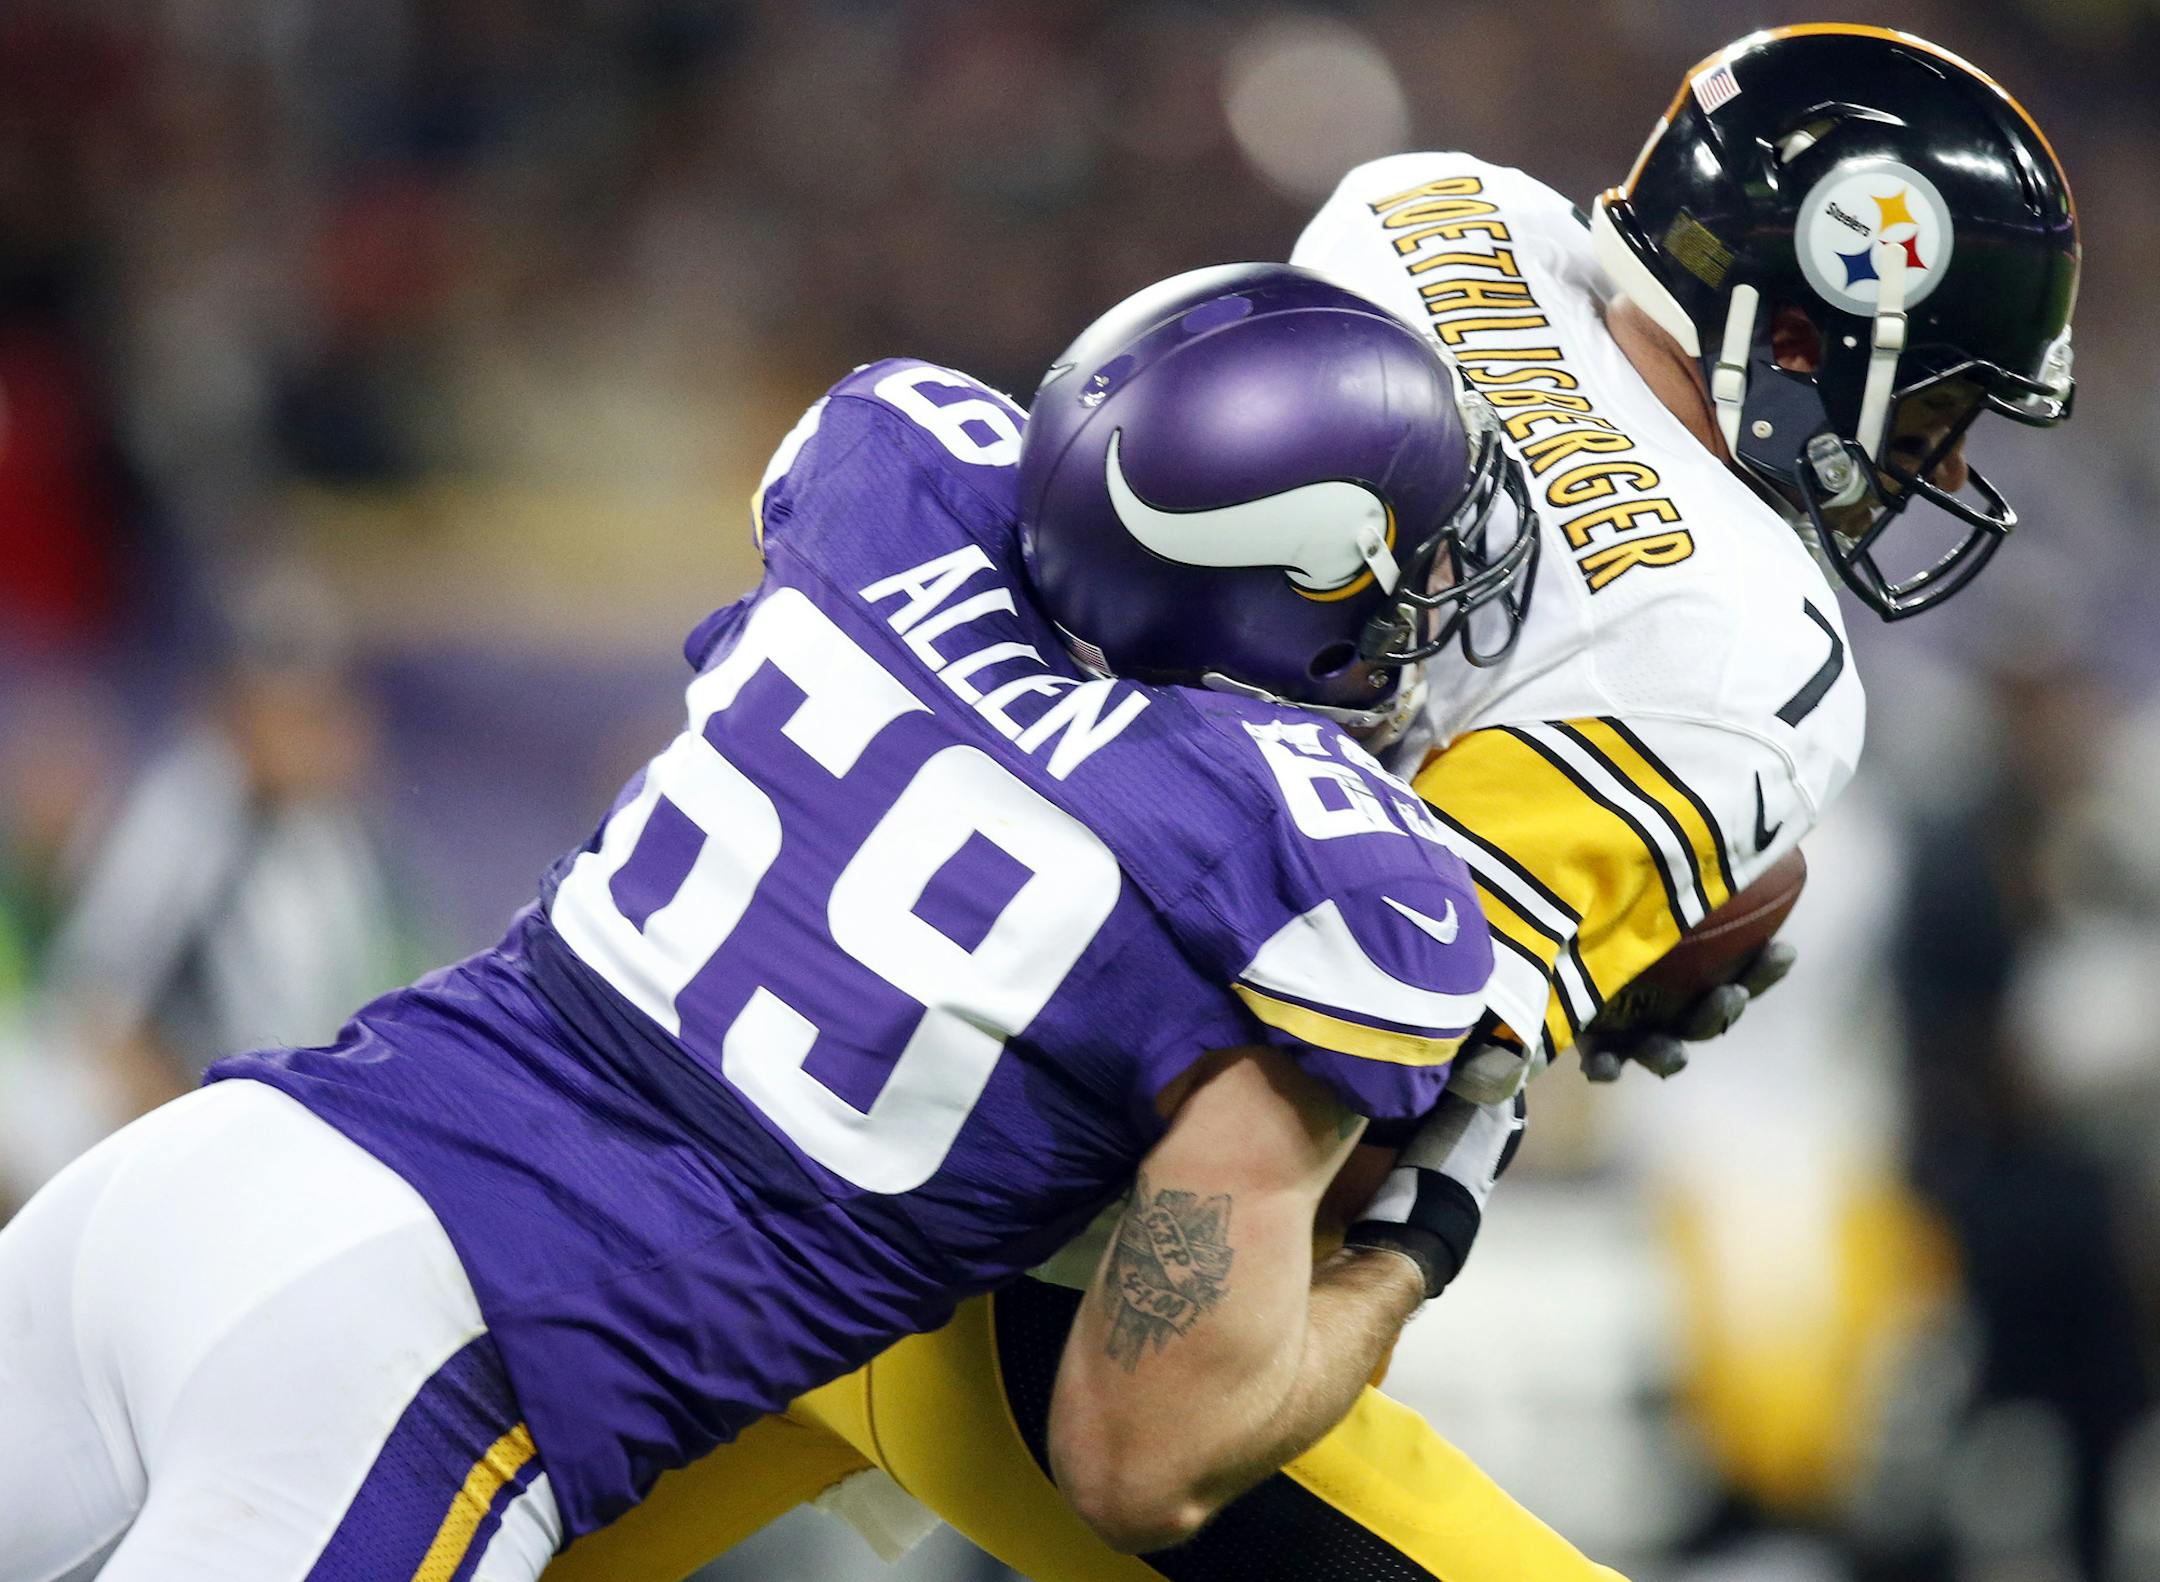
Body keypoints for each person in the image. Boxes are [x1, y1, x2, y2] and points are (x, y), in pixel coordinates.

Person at [544, 24, 2078, 1582]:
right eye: (1938, 413)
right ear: (1813, 341)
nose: (1925, 468)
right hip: (1038, 1240)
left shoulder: (1423, 208)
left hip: (752, 1077)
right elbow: (1361, 1078)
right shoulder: (1751, 654)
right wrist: (1532, 1057)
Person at [0, 265, 1542, 1580]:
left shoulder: (895, 483)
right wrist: (1419, 1238)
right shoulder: (1318, 882)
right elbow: (1141, 1460)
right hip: (419, 1356)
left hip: (204, 1174)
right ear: (1299, 572)